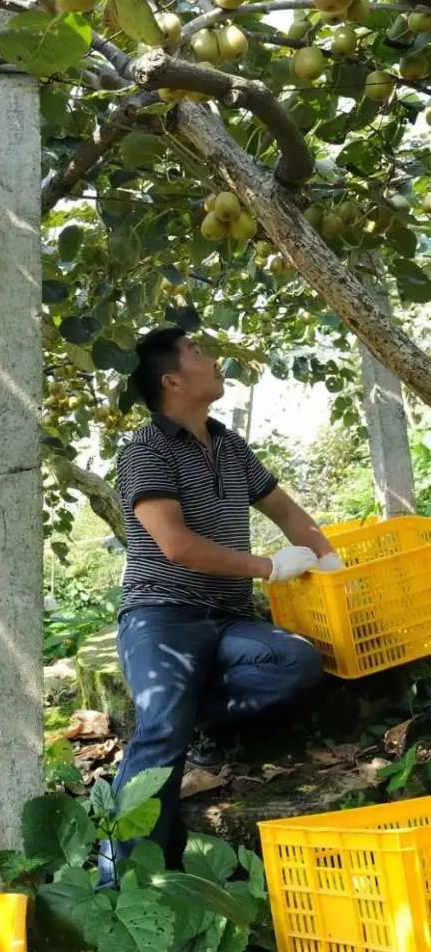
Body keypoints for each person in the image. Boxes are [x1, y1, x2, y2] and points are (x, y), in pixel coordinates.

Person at [101, 326, 341, 879]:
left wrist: (330, 560)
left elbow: (284, 511)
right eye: (199, 354)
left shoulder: (230, 445)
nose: (213, 359)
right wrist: (267, 567)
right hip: (160, 615)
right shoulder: (145, 451)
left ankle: (193, 719)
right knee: (160, 725)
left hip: (228, 619)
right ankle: (121, 879)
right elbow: (176, 546)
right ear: (172, 380)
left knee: (296, 661)